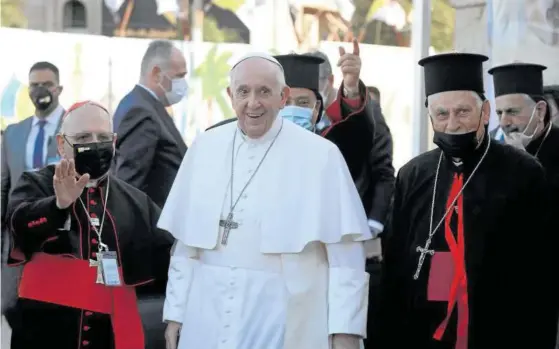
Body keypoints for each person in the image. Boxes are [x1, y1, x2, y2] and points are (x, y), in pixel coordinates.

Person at [160, 52, 372, 349]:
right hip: (207, 313)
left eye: (264, 92)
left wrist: (346, 330)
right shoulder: (204, 148)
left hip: (286, 314)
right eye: (243, 92)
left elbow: (346, 256)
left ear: (283, 96)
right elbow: (186, 247)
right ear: (230, 95)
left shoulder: (321, 155)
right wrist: (176, 312)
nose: (253, 102)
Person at [374, 53, 558, 349]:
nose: (452, 124)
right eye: (442, 114)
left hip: (498, 331)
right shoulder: (413, 173)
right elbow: (394, 265)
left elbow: (541, 275)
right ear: (430, 115)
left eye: (463, 112)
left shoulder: (523, 173)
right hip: (424, 333)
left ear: (485, 112)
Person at [5, 101, 174, 349]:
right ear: (62, 144)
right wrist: (58, 206)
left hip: (109, 335)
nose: (94, 144)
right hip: (46, 333)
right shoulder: (38, 183)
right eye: (84, 136)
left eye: (103, 137)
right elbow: (18, 223)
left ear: (114, 142)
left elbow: (170, 255)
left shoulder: (136, 201)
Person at [1, 61, 65, 330]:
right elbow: (4, 185)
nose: (40, 90)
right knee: (14, 309)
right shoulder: (14, 133)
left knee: (56, 314)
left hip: (59, 236)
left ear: (59, 88)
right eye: (34, 85)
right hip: (18, 238)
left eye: (46, 84)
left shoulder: (73, 127)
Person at [113, 39, 188, 209]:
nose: (183, 84)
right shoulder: (140, 111)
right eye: (179, 76)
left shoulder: (146, 105)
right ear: (156, 74)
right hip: (153, 228)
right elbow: (129, 187)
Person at [489, 63, 559, 209]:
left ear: (540, 111)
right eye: (499, 113)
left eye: (512, 112)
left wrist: (522, 164)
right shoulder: (490, 145)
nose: (504, 123)